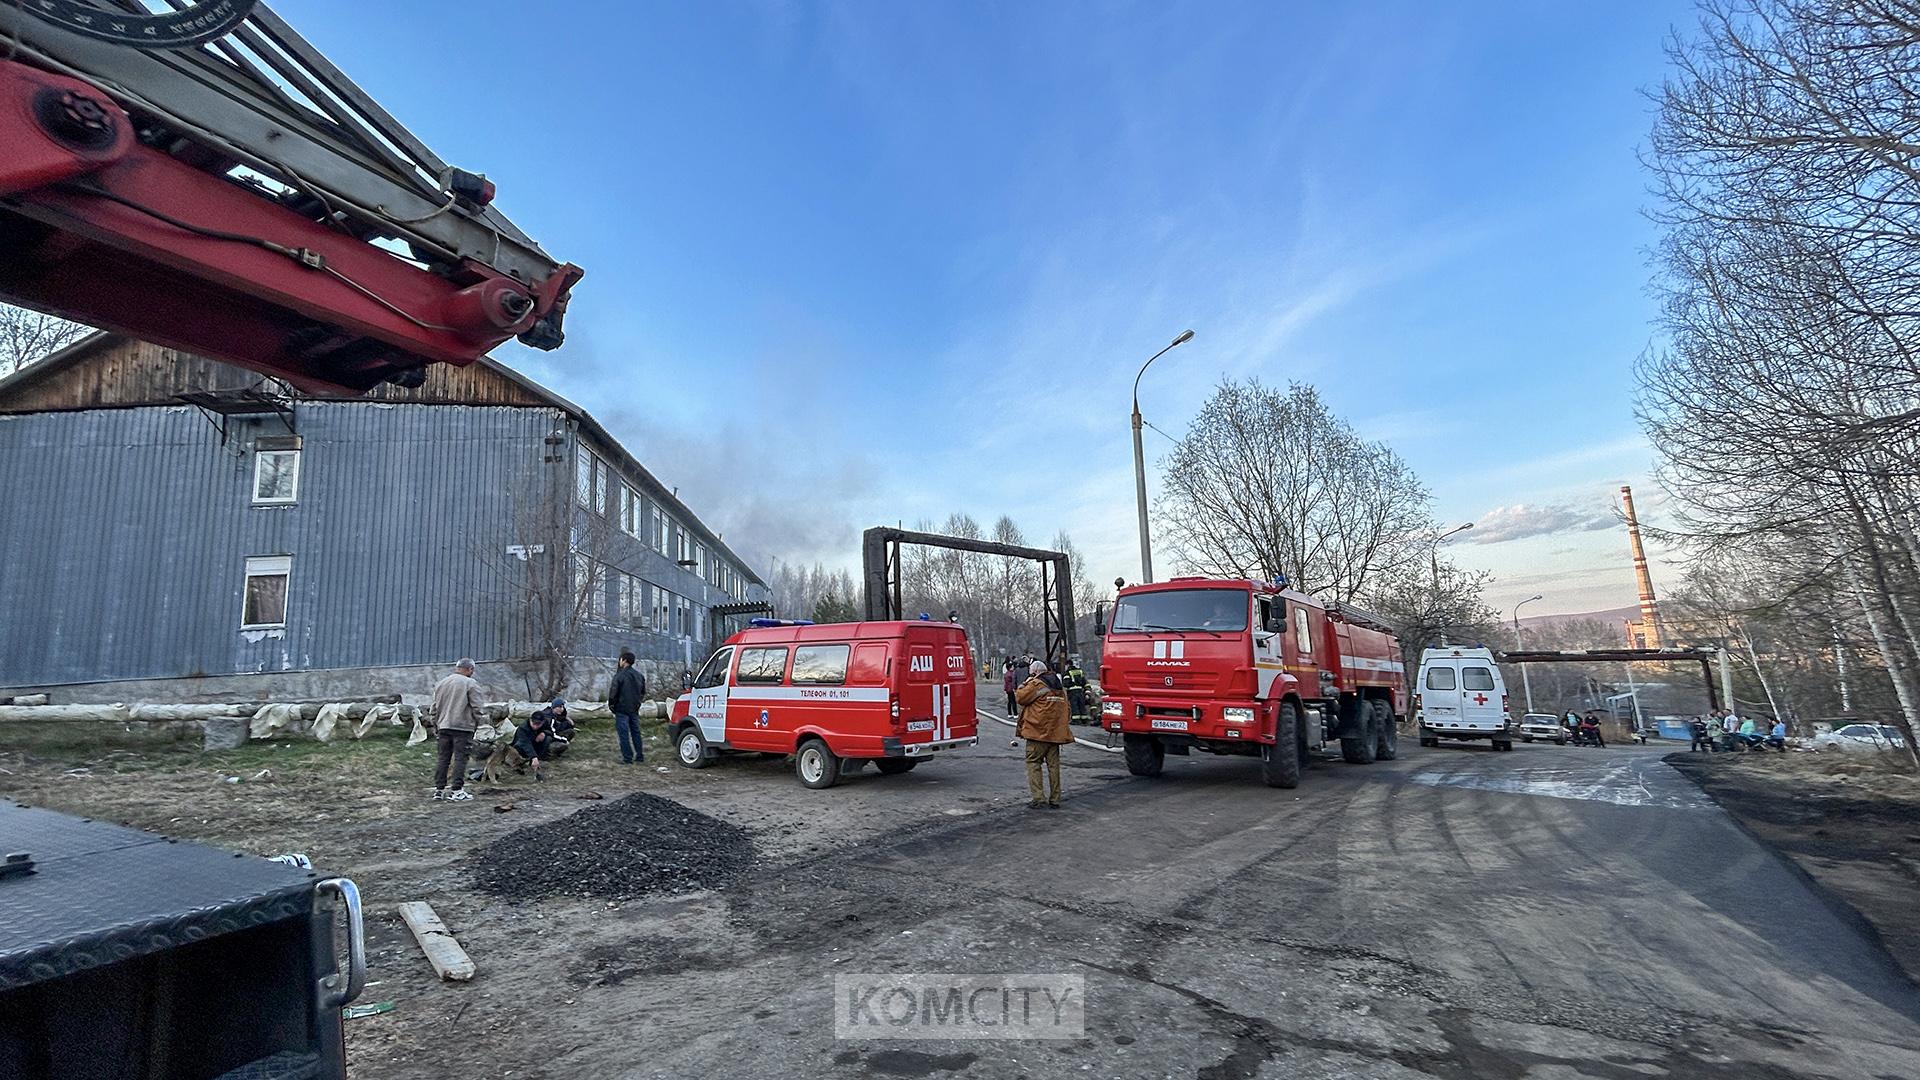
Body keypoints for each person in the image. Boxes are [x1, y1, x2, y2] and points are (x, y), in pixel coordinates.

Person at [1015, 659, 1073, 809]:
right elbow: (1067, 710)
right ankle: (1055, 798)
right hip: (1056, 734)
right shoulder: (1060, 688)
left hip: (1038, 733)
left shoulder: (1036, 684)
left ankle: (1038, 798)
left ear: (1035, 672)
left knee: (1033, 763)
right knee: (1053, 766)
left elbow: (1021, 698)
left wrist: (1025, 683)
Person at [429, 658, 486, 802]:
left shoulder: (441, 683)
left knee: (443, 759)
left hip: (443, 726)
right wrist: (478, 723)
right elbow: (477, 708)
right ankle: (457, 790)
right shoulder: (471, 684)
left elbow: (434, 708)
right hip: (462, 726)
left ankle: (439, 790)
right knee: (461, 758)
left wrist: (436, 725)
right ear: (470, 669)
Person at [609, 650, 648, 764]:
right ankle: (640, 756)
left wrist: (612, 706)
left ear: (624, 660)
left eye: (620, 659)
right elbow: (642, 692)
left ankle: (627, 758)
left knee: (624, 734)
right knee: (636, 732)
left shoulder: (619, 676)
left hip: (621, 709)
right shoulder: (639, 676)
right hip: (634, 708)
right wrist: (638, 703)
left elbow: (613, 693)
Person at [510, 709, 559, 781]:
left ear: (543, 722)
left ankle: (540, 758)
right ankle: (523, 761)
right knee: (519, 745)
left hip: (535, 745)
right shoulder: (522, 728)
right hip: (522, 748)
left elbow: (551, 732)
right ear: (530, 720)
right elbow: (525, 743)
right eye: (534, 723)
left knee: (547, 739)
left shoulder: (545, 723)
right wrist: (533, 757)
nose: (535, 727)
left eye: (538, 724)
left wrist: (544, 733)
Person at [1064, 657, 1092, 725]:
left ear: (1067, 665)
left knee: (1074, 706)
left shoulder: (1067, 672)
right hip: (1080, 691)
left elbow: (1066, 684)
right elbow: (1085, 682)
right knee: (1081, 705)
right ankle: (1084, 720)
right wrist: (1087, 692)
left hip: (1073, 692)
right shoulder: (1080, 671)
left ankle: (1076, 720)